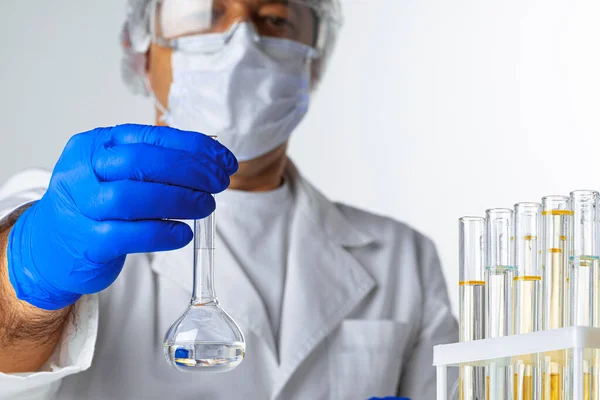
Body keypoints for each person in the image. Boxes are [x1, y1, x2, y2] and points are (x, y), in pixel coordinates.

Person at [0, 0, 458, 399]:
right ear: (142, 52)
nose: (241, 44)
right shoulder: (66, 209)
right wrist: (28, 276)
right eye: (205, 13)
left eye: (275, 18)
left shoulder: (404, 259)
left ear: (314, 60)